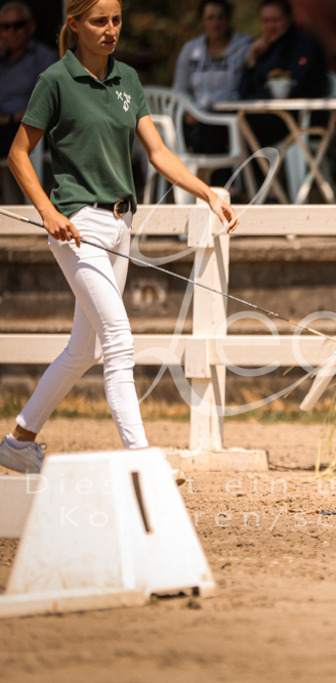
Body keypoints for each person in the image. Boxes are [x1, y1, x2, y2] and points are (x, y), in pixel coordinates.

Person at [0, 0, 239, 475]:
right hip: (77, 225)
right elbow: (18, 155)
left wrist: (206, 193)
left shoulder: (127, 79)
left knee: (83, 349)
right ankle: (140, 459)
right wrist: (47, 211)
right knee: (118, 339)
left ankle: (18, 442)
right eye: (98, 21)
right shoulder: (55, 81)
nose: (110, 30)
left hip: (121, 222)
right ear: (75, 24)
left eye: (116, 21)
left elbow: (158, 152)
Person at [238, 0, 328, 147]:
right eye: (266, 21)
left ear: (289, 18)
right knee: (229, 126)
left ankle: (263, 170)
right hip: (270, 116)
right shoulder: (263, 49)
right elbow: (244, 92)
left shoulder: (303, 44)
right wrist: (252, 62)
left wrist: (259, 98)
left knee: (244, 125)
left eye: (276, 20)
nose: (270, 26)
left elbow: (295, 86)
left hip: (302, 119)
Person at [172, 0, 252, 155]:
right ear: (202, 20)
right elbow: (179, 88)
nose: (216, 23)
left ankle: (218, 178)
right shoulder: (191, 49)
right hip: (196, 113)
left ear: (228, 18)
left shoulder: (245, 46)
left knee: (209, 131)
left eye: (220, 17)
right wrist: (188, 110)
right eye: (210, 18)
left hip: (230, 114)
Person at [0, 1, 57, 202]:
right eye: (5, 27)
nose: (11, 32)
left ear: (31, 27)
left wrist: (14, 117)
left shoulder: (44, 57)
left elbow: (47, 101)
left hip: (27, 126)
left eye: (18, 25)